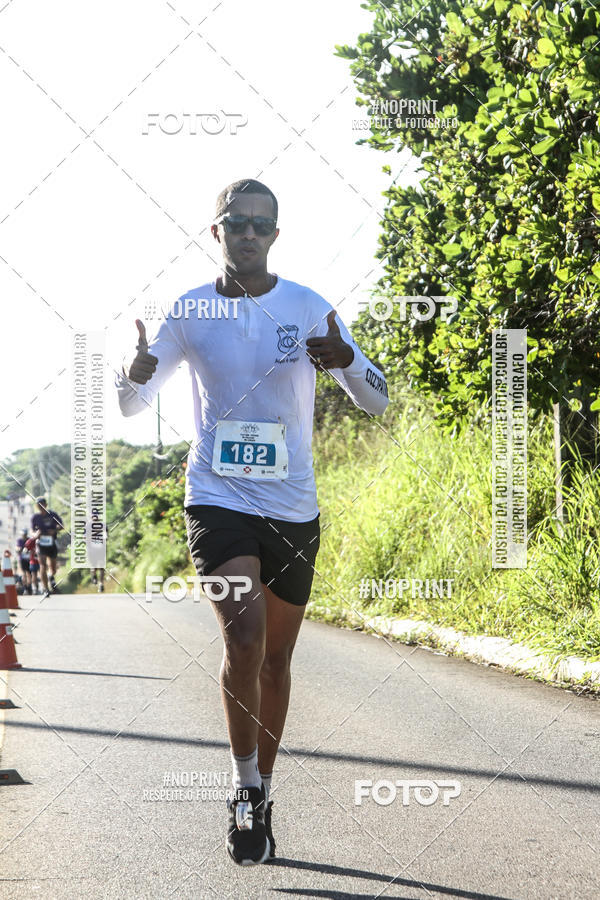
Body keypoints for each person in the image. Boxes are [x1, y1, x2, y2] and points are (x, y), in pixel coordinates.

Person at [115, 179, 389, 866]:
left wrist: (350, 361)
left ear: (275, 235)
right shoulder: (189, 310)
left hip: (293, 507)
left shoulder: (308, 306)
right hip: (218, 498)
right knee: (243, 641)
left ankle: (263, 789)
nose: (247, 233)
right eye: (236, 222)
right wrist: (130, 370)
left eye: (260, 225)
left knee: (275, 660)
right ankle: (242, 790)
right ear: (216, 231)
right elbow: (129, 403)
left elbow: (376, 401)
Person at [31, 497, 64, 596]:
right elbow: (32, 531)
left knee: (53, 568)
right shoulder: (35, 517)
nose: (40, 507)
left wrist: (54, 530)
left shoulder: (53, 514)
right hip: (41, 543)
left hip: (52, 543)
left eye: (42, 504)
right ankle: (45, 589)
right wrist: (36, 534)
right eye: (38, 505)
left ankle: (50, 576)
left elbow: (61, 526)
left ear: (46, 505)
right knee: (42, 565)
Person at [16, 528, 32, 595]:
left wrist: (29, 550)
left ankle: (29, 586)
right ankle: (25, 587)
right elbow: (17, 548)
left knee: (29, 574)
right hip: (22, 559)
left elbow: (32, 548)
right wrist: (19, 549)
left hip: (29, 559)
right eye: (23, 535)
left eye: (25, 534)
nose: (24, 536)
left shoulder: (30, 540)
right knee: (24, 574)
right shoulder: (19, 540)